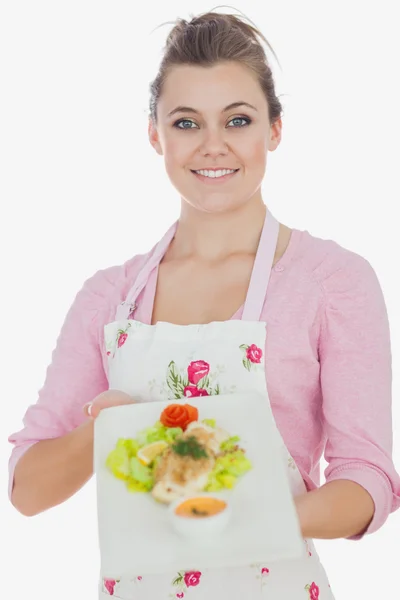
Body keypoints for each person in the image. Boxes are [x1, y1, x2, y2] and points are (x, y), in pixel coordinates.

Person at [8, 9, 400, 600]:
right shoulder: (108, 297)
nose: (213, 146)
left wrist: (256, 519)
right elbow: (27, 490)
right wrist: (107, 431)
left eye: (237, 120)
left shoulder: (331, 282)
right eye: (186, 122)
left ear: (274, 130)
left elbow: (367, 479)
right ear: (154, 135)